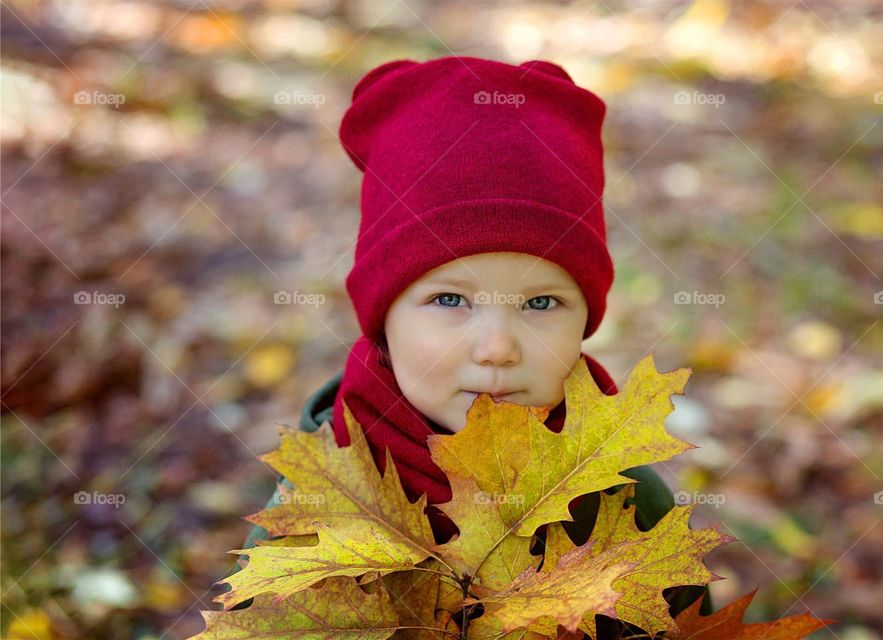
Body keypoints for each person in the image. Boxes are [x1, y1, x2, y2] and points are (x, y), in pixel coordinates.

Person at [228, 55, 712, 631]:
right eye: (451, 301)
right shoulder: (327, 493)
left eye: (540, 304)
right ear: (383, 319)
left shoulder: (625, 496)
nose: (497, 347)